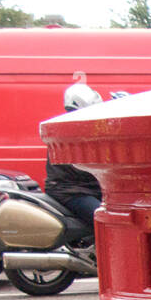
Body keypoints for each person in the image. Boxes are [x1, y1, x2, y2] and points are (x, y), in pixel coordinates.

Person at [44, 83, 104, 230]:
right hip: (70, 191)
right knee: (105, 221)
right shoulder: (66, 131)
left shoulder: (82, 129)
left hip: (85, 188)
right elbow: (83, 168)